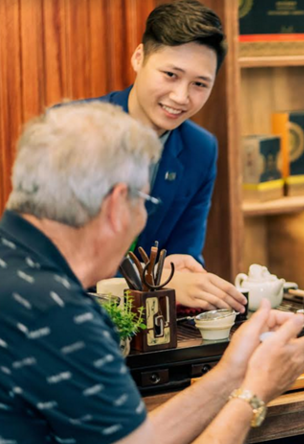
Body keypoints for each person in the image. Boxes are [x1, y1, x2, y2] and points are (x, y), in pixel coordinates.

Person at [0, 102, 304, 444]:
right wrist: (255, 393)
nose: (143, 217)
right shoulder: (61, 316)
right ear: (115, 207)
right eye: (145, 202)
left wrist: (233, 374)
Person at [89, 0, 245, 312]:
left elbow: (185, 251)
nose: (181, 97)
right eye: (171, 74)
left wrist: (183, 269)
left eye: (200, 84)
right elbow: (53, 263)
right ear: (138, 57)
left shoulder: (201, 149)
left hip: (151, 330)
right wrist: (158, 281)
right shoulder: (71, 131)